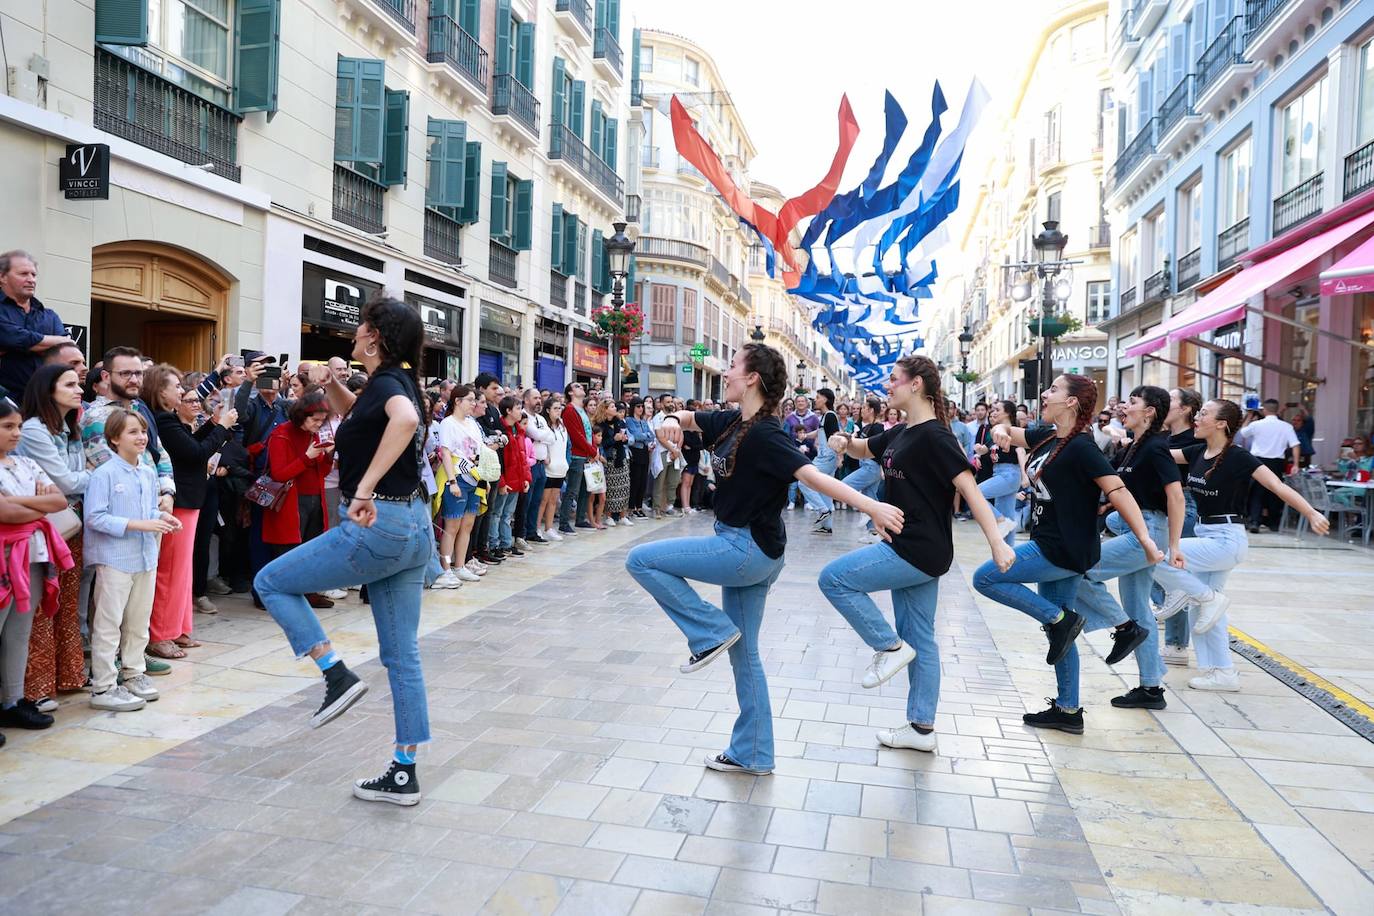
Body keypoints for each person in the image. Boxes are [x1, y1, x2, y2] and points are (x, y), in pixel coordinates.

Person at [626, 343, 902, 776]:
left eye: (734, 365)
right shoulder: (733, 419)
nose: (728, 372)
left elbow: (812, 476)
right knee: (745, 653)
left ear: (752, 376)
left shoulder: (768, 433)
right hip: (755, 551)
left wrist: (870, 507)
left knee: (641, 560)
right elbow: (685, 416)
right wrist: (665, 420)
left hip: (744, 550)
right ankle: (753, 753)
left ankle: (710, 632)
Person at [256, 295, 437, 805]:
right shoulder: (398, 380)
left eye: (360, 328)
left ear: (374, 336)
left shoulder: (389, 386)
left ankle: (335, 673)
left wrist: (364, 488)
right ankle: (404, 770)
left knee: (270, 581)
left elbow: (399, 422)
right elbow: (366, 415)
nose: (353, 334)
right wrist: (328, 384)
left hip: (378, 522)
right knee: (403, 655)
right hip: (414, 525)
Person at [820, 356, 1015, 753]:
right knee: (922, 639)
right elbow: (860, 449)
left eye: (894, 379)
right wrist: (841, 440)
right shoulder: (899, 433)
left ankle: (888, 647)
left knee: (834, 579)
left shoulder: (936, 437)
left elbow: (972, 492)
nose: (887, 386)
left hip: (917, 550)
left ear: (917, 385)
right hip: (913, 549)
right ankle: (921, 729)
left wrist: (997, 542)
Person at [972, 374, 1162, 735]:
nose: (1046, 393)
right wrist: (1002, 431)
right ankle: (1068, 708)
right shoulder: (1048, 435)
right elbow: (1011, 432)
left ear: (1072, 402)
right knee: (1060, 632)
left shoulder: (1082, 446)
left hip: (1061, 548)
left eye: (1055, 390)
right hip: (1055, 543)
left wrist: (1146, 539)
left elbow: (1118, 491)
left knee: (986, 577)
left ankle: (1060, 622)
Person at [1153, 399, 1330, 692]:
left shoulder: (1239, 457)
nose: (1197, 418)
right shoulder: (1197, 451)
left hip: (1226, 540)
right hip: (1207, 533)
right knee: (1203, 611)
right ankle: (1221, 672)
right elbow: (1159, 455)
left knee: (1159, 552)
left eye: (1204, 414)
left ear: (1221, 423)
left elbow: (1277, 486)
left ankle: (1190, 593)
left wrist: (1310, 512)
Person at [1070, 386, 1186, 712]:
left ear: (1149, 412)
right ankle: (1151, 686)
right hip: (1136, 528)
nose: (1125, 406)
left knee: (1080, 569)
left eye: (1133, 402)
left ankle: (1125, 629)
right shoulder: (1133, 447)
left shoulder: (1156, 447)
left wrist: (1173, 545)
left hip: (1148, 533)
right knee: (1139, 607)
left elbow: (1175, 498)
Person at [84, 408, 179, 712]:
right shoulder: (104, 474)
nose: (141, 437)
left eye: (142, 431)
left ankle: (134, 673)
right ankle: (103, 686)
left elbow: (148, 511)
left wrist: (161, 516)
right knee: (109, 623)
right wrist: (140, 524)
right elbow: (95, 517)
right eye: (132, 432)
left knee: (139, 622)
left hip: (145, 557)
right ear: (114, 438)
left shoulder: (147, 473)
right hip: (114, 559)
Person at [16, 365, 90, 710]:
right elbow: (65, 482)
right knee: (45, 603)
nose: (79, 389)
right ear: (48, 389)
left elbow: (74, 479)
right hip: (46, 526)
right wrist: (96, 475)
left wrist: (86, 475)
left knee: (68, 602)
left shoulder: (69, 428)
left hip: (71, 523)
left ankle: (69, 674)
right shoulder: (33, 430)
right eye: (71, 384)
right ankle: (36, 686)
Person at [0, 395, 74, 734]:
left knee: (19, 631)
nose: (16, 433)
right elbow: (5, 514)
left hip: (32, 555)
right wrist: (37, 506)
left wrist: (19, 503)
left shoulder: (25, 464)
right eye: (7, 427)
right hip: (4, 556)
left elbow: (58, 499)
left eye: (17, 426)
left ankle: (12, 701)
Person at [262, 390, 335, 606]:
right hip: (289, 502)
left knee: (311, 550)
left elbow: (322, 473)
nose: (319, 424)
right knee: (287, 553)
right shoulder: (282, 434)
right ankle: (282, 596)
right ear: (302, 415)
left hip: (314, 499)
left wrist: (328, 455)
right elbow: (279, 474)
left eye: (323, 420)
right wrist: (307, 457)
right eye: (315, 420)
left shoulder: (315, 434)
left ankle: (307, 592)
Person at [0, 252, 76, 398]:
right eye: (23, 274)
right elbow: (14, 338)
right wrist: (58, 341)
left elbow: (67, 351)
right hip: (5, 402)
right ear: (2, 277)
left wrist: (13, 347)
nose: (31, 280)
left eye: (33, 275)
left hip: (45, 400)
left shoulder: (49, 315)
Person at [433, 385, 484, 587]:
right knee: (452, 526)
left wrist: (483, 478)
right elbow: (445, 453)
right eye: (470, 400)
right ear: (458, 401)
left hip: (474, 477)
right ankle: (445, 568)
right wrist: (452, 481)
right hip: (457, 478)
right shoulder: (447, 423)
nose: (474, 404)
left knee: (468, 525)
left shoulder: (472, 423)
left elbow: (479, 451)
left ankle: (460, 565)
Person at [1241, 399, 1300, 533]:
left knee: (1256, 492)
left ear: (1264, 410)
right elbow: (1295, 445)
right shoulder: (1286, 426)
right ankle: (1274, 523)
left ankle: (1254, 521)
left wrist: (1249, 416)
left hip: (1257, 461)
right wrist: (1296, 464)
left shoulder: (1257, 424)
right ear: (1277, 410)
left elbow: (1243, 433)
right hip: (1277, 462)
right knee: (1276, 491)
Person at [976, 400, 1026, 545]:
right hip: (1000, 474)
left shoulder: (1012, 431)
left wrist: (1024, 475)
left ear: (1008, 413)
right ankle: (1008, 554)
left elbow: (1020, 451)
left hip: (1009, 474)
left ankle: (1000, 520)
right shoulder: (996, 432)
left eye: (997, 409)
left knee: (976, 493)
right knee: (1009, 518)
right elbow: (985, 449)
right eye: (993, 410)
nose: (993, 412)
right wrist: (979, 450)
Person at [488, 395, 530, 558]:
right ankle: (494, 544)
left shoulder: (518, 431)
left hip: (517, 480)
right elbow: (500, 460)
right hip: (506, 481)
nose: (521, 412)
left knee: (507, 515)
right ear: (508, 411)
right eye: (518, 408)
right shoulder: (502, 432)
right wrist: (502, 482)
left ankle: (506, 543)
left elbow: (523, 458)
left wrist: (526, 478)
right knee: (497, 514)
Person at [798, 387, 841, 534]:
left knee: (803, 481)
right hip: (827, 457)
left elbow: (836, 436)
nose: (815, 400)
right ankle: (826, 526)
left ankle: (822, 510)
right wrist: (806, 436)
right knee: (825, 490)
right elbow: (819, 432)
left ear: (825, 399)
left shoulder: (830, 416)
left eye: (817, 397)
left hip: (826, 457)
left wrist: (839, 458)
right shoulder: (825, 416)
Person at [559, 383, 596, 532]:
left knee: (586, 489)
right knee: (572, 490)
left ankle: (580, 519)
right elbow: (576, 436)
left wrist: (594, 450)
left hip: (586, 454)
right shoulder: (569, 410)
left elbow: (589, 432)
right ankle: (564, 523)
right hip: (576, 455)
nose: (581, 387)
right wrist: (592, 451)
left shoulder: (581, 410)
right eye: (577, 386)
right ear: (570, 392)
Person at [521, 388, 553, 544]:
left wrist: (542, 438)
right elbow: (537, 435)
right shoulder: (523, 416)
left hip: (541, 464)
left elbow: (551, 438)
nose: (539, 401)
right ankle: (523, 532)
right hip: (530, 465)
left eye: (540, 398)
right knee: (527, 500)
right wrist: (542, 437)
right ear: (526, 400)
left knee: (537, 500)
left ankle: (532, 531)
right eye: (535, 398)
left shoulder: (541, 418)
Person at [538, 396, 570, 541]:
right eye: (555, 408)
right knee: (543, 500)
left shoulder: (562, 425)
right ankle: (537, 527)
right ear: (548, 410)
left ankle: (549, 528)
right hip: (548, 468)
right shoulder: (545, 426)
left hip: (561, 468)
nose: (558, 411)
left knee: (553, 500)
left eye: (560, 408)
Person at [599, 399, 632, 527]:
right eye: (612, 407)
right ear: (605, 409)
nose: (615, 409)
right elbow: (602, 443)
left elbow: (623, 440)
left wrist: (623, 439)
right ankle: (609, 515)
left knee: (624, 485)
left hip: (620, 456)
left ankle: (623, 515)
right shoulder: (601, 424)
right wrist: (614, 439)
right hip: (609, 458)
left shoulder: (619, 422)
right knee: (611, 488)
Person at [625, 397, 653, 518]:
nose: (641, 409)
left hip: (644, 452)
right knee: (635, 480)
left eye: (642, 406)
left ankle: (639, 506)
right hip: (635, 452)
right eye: (638, 406)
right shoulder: (629, 420)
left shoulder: (643, 421)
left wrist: (643, 436)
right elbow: (635, 435)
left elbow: (651, 436)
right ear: (633, 407)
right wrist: (644, 436)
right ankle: (631, 507)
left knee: (643, 481)